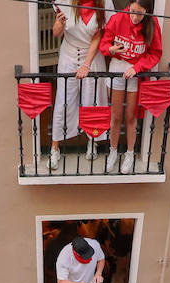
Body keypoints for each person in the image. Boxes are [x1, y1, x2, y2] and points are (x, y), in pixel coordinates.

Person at [98, 0, 162, 175]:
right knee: (116, 115)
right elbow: (104, 44)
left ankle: (129, 153)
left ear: (147, 12)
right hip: (117, 67)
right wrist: (111, 49)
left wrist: (137, 68)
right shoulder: (118, 19)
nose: (134, 17)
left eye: (139, 14)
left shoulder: (152, 23)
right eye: (132, 11)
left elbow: (155, 53)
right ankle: (112, 152)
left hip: (135, 71)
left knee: (131, 116)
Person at [48, 0, 109, 170]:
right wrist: (59, 23)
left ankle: (93, 141)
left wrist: (86, 64)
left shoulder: (102, 4)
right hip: (68, 54)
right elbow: (56, 33)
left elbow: (98, 35)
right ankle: (55, 148)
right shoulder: (66, 2)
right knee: (63, 99)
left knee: (94, 99)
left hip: (92, 56)